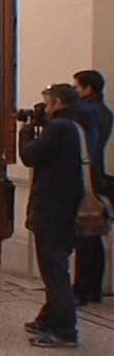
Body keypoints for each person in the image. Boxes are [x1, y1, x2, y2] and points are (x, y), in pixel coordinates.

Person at [20, 83, 86, 347]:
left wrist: (25, 131)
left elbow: (30, 155)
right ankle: (49, 318)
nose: (45, 107)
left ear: (58, 102)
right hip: (65, 206)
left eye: (47, 102)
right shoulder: (76, 124)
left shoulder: (59, 127)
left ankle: (65, 330)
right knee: (55, 267)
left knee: (54, 270)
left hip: (53, 208)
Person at [72, 70, 112, 305]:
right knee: (92, 234)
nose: (76, 92)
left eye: (77, 88)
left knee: (86, 235)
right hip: (95, 174)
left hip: (87, 176)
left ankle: (83, 288)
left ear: (88, 89)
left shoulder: (89, 112)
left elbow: (87, 146)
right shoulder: (104, 111)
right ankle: (92, 287)